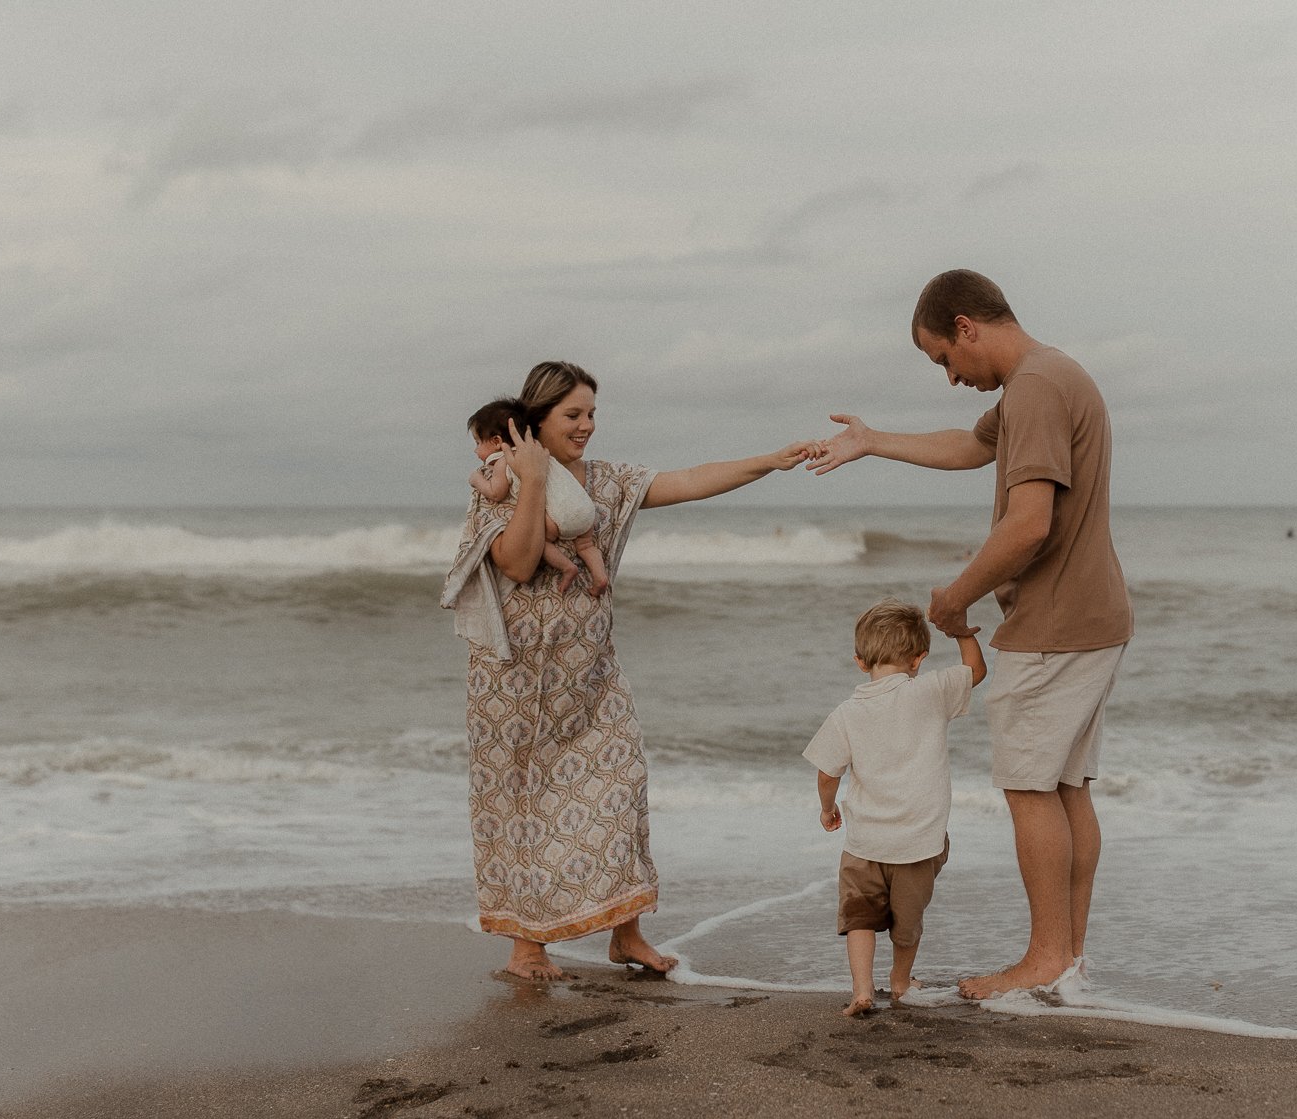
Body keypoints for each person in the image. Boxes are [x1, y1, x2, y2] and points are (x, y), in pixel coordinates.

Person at [810, 270, 1134, 1000]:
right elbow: (970, 446)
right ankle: (1069, 956)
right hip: (1093, 617)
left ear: (966, 326)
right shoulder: (1046, 379)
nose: (950, 379)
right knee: (1066, 785)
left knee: (1030, 788)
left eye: (943, 360)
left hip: (1053, 624)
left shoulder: (1037, 387)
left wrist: (953, 602)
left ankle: (1046, 957)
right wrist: (872, 441)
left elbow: (1029, 524)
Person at [448, 360, 820, 981]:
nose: (588, 425)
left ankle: (628, 934)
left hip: (591, 677)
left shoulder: (609, 482)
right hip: (510, 684)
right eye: (574, 415)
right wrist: (534, 478)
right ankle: (526, 947)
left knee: (622, 788)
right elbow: (514, 563)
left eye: (592, 413)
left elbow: (691, 480)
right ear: (535, 421)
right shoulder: (500, 480)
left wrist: (770, 460)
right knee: (517, 808)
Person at [804, 600, 985, 1016]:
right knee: (908, 925)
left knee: (859, 919)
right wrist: (961, 631)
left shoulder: (847, 713)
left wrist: (827, 809)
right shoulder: (931, 690)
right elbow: (976, 672)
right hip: (918, 842)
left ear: (859, 661)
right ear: (918, 659)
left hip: (865, 842)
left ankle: (862, 990)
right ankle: (900, 981)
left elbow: (828, 773)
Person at [466, 399, 609, 595]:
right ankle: (600, 577)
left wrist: (477, 480)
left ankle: (567, 567)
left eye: (477, 443)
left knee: (539, 538)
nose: (475, 450)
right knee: (586, 545)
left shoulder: (504, 461)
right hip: (585, 509)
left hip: (559, 518)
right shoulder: (541, 452)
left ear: (497, 442)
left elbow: (496, 492)